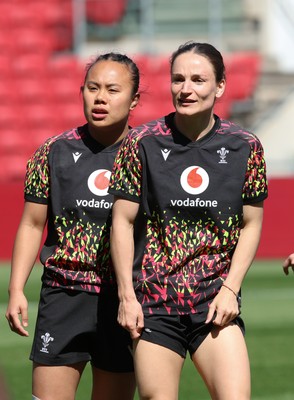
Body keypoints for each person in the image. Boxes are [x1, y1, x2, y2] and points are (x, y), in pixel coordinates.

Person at [109, 41, 268, 400]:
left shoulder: (246, 146)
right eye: (178, 79)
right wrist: (126, 297)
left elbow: (251, 224)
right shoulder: (141, 143)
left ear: (220, 86)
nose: (186, 88)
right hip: (154, 303)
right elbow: (122, 221)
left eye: (198, 79)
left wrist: (231, 289)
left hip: (214, 300)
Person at [5, 52, 140, 400]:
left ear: (134, 98)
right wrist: (16, 289)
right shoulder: (53, 151)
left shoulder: (149, 154)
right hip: (63, 295)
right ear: (80, 91)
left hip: (124, 300)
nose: (100, 97)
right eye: (93, 88)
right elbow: (32, 224)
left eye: (113, 89)